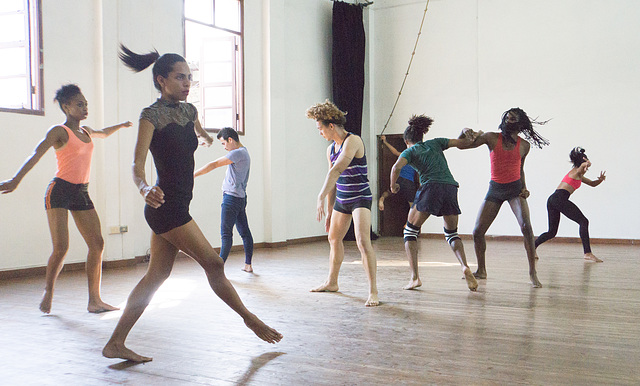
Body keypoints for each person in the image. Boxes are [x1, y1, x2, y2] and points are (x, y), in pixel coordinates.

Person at [102, 45, 282, 363]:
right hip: (165, 206)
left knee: (156, 276)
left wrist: (206, 137)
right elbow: (136, 164)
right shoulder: (150, 117)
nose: (187, 83)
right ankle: (250, 319)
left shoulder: (189, 112)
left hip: (179, 205)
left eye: (189, 78)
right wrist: (143, 187)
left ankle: (115, 342)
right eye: (180, 77)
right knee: (213, 263)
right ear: (161, 80)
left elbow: (194, 133)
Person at [0, 84, 130, 314]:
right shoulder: (59, 131)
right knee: (61, 248)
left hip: (81, 191)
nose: (85, 107)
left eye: (86, 104)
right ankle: (48, 291)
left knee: (97, 244)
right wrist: (15, 180)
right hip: (59, 190)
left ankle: (94, 300)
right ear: (66, 107)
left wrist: (120, 125)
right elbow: (36, 153)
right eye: (80, 104)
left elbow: (104, 132)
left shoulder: (87, 131)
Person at [461, 107, 549, 288]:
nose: (508, 121)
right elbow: (464, 145)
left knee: (527, 227)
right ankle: (482, 270)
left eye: (513, 119)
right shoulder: (491, 137)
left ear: (520, 123)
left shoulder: (525, 146)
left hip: (515, 190)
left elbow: (520, 168)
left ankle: (533, 272)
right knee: (477, 231)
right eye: (507, 118)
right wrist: (463, 131)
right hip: (495, 190)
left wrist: (524, 187)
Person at [390, 115, 479, 291]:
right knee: (452, 233)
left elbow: (396, 167)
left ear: (407, 140)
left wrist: (393, 186)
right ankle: (464, 266)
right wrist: (463, 131)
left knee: (409, 232)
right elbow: (462, 143)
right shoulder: (436, 143)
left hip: (431, 187)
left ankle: (415, 278)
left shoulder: (409, 151)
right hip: (451, 187)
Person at [306, 100, 379, 307]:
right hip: (343, 199)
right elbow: (333, 179)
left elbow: (336, 170)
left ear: (331, 126)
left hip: (360, 198)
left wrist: (319, 196)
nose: (319, 132)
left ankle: (373, 291)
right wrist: (330, 211)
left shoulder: (353, 141)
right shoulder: (330, 150)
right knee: (333, 238)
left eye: (320, 128)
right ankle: (332, 282)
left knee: (363, 241)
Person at [195, 127, 254, 272]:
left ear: (231, 140)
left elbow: (213, 164)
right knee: (244, 232)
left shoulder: (237, 153)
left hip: (231, 199)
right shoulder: (244, 152)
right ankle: (248, 265)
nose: (224, 147)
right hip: (240, 198)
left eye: (223, 143)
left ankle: (218, 269)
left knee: (226, 233)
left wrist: (193, 175)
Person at [535, 147, 606, 262]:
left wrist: (600, 180)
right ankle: (587, 253)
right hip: (559, 198)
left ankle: (532, 247)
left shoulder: (579, 175)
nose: (587, 167)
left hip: (553, 199)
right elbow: (585, 165)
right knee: (583, 221)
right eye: (585, 163)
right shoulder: (577, 171)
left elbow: (592, 184)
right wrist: (586, 161)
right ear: (581, 162)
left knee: (552, 232)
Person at [378, 135, 417, 211]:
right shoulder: (416, 157)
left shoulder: (405, 154)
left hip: (398, 178)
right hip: (408, 182)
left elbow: (394, 152)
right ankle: (408, 222)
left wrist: (385, 142)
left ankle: (382, 198)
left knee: (389, 192)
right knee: (412, 206)